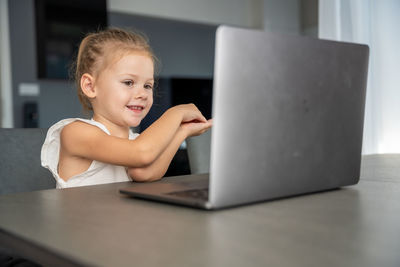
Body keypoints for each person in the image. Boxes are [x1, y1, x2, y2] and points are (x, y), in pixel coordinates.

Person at [41, 27, 212, 188]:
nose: (143, 94)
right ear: (90, 86)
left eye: (148, 85)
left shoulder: (134, 141)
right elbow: (142, 154)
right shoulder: (75, 133)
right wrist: (176, 112)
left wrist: (182, 131)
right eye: (128, 82)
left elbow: (143, 172)